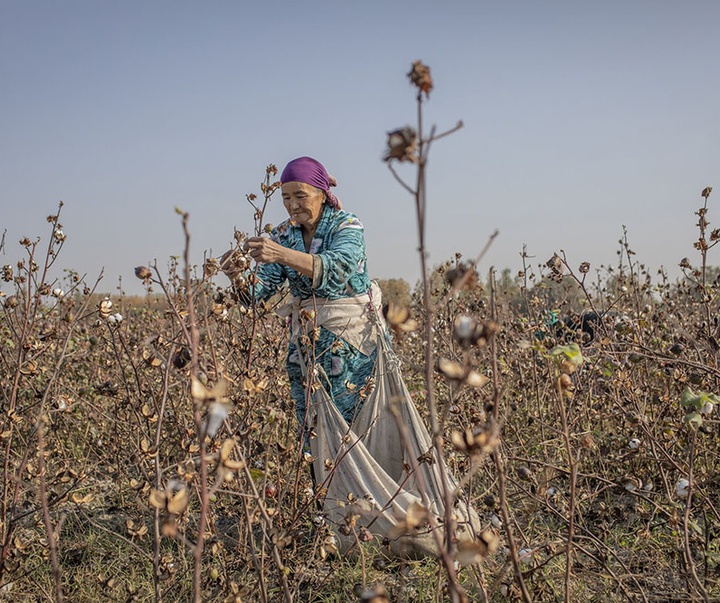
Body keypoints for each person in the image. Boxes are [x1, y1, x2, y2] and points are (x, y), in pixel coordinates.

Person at [223, 156, 380, 435]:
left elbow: (338, 268)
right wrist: (236, 275)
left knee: (353, 429)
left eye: (300, 196)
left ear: (321, 194)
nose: (293, 205)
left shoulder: (347, 225)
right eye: (285, 198)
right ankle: (316, 478)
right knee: (313, 429)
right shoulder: (285, 233)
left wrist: (281, 254)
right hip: (305, 346)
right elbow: (258, 294)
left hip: (352, 342)